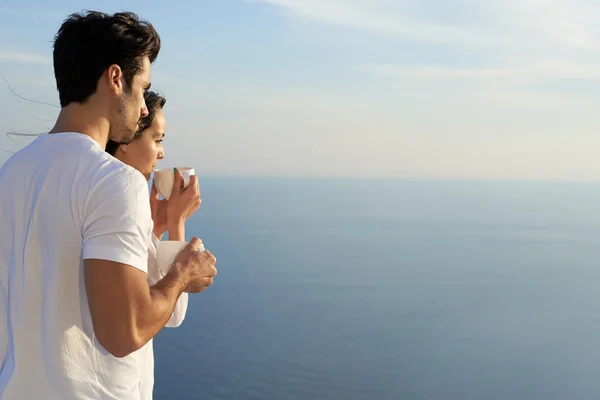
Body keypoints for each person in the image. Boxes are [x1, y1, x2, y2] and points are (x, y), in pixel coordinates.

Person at [0, 10, 217, 400]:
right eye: (142, 87)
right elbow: (125, 331)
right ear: (115, 79)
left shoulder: (12, 172)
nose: (145, 109)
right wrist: (183, 272)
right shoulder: (115, 180)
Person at [106, 90, 200, 399]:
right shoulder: (119, 196)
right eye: (157, 140)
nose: (161, 154)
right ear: (124, 142)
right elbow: (170, 315)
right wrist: (177, 225)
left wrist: (156, 230)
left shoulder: (108, 196)